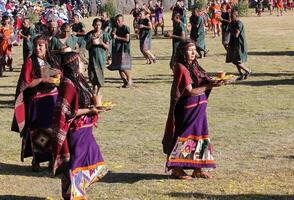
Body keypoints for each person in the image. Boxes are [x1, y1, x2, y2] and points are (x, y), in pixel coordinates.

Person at [52, 52, 108, 200]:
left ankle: (75, 193)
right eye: (81, 62)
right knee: (77, 164)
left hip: (85, 131)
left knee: (90, 160)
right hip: (76, 132)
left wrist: (95, 105)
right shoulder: (67, 84)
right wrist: (91, 110)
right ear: (74, 65)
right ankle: (75, 195)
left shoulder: (79, 80)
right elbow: (68, 112)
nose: (83, 64)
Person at [162, 40, 221, 179]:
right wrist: (210, 86)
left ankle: (198, 169)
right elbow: (189, 91)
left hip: (199, 108)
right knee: (185, 136)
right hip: (188, 109)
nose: (194, 52)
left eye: (195, 49)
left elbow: (202, 81)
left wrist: (214, 82)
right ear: (183, 52)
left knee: (200, 135)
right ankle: (176, 168)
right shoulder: (181, 68)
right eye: (190, 50)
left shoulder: (194, 66)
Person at [11, 35, 61, 172]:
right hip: (37, 101)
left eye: (41, 46)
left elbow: (58, 73)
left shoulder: (51, 59)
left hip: (52, 100)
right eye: (36, 46)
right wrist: (42, 80)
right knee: (37, 131)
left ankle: (52, 160)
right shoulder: (30, 62)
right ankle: (36, 160)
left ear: (46, 47)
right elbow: (26, 83)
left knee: (52, 130)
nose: (38, 48)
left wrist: (57, 73)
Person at [85, 18, 110, 106]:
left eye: (99, 25)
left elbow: (107, 47)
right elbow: (87, 47)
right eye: (96, 25)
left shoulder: (105, 35)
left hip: (101, 58)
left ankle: (97, 90)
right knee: (92, 74)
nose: (97, 27)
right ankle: (94, 87)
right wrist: (91, 43)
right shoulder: (89, 35)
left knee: (100, 74)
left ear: (101, 25)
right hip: (92, 58)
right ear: (93, 25)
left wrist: (101, 42)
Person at [108, 14, 132, 88]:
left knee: (123, 67)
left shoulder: (126, 28)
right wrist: (112, 33)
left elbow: (127, 39)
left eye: (119, 20)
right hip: (116, 49)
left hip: (124, 49)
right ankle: (125, 82)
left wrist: (117, 37)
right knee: (118, 67)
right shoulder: (115, 28)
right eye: (116, 20)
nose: (117, 22)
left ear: (122, 21)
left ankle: (130, 80)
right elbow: (112, 35)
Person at [226, 10, 251, 80]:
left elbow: (236, 35)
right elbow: (228, 31)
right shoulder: (232, 23)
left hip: (239, 44)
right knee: (234, 60)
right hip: (233, 44)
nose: (230, 17)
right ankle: (241, 74)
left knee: (237, 61)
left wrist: (230, 28)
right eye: (230, 16)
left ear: (236, 16)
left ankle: (248, 70)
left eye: (232, 16)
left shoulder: (239, 23)